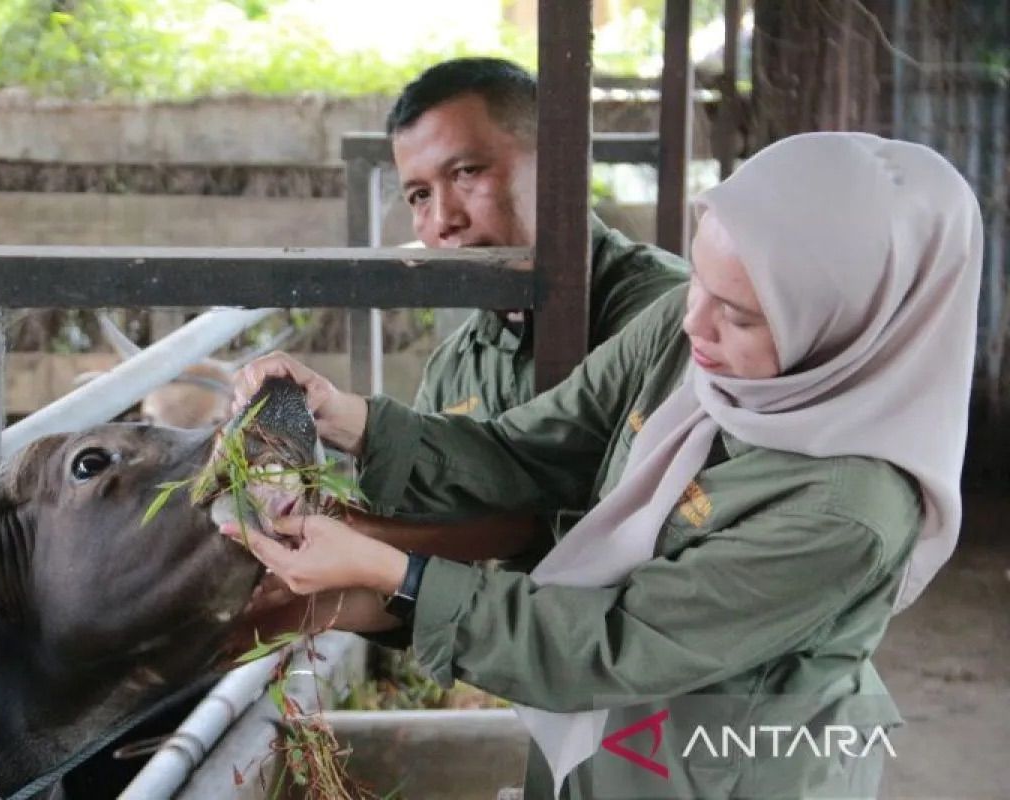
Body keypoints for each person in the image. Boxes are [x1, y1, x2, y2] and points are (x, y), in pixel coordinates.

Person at [226, 132, 982, 798]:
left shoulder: (847, 509)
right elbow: (528, 450)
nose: (695, 322)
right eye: (700, 280)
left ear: (849, 328)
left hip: (722, 770)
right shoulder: (685, 333)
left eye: (740, 315)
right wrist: (344, 416)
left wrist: (392, 572)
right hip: (603, 741)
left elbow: (609, 644)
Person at [389, 57, 687, 420]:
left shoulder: (673, 315)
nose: (443, 220)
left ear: (556, 165)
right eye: (420, 195)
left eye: (467, 172)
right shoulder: (453, 370)